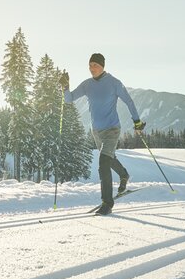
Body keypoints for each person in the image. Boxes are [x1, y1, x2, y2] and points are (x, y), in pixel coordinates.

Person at [60, 53, 145, 215]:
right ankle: (124, 174)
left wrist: (137, 121)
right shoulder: (87, 85)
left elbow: (129, 101)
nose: (92, 68)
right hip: (96, 131)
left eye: (95, 65)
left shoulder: (114, 83)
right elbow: (69, 99)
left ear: (102, 66)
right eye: (90, 65)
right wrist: (65, 87)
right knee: (109, 158)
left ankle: (107, 202)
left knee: (103, 162)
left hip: (112, 129)